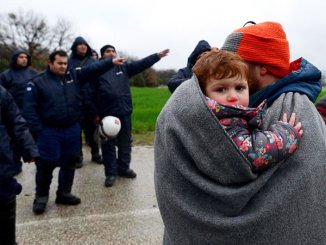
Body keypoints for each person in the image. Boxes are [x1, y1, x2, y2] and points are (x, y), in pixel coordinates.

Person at [154, 21, 326, 244]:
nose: (227, 67)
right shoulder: (235, 106)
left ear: (262, 67)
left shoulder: (296, 111)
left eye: (236, 59)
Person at [23, 50, 125, 215]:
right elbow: (29, 112)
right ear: (50, 63)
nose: (64, 66)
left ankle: (64, 193)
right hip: (49, 132)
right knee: (46, 165)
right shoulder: (37, 83)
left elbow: (92, 70)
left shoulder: (74, 77)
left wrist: (110, 62)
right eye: (60, 63)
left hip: (71, 129)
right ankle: (41, 197)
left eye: (65, 63)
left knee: (70, 162)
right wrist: (38, 133)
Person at [192, 50, 302, 172]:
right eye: (221, 89)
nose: (233, 96)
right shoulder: (221, 120)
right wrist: (286, 135)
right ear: (203, 93)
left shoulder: (229, 115)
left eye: (239, 88)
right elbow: (253, 154)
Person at [95, 44, 169, 187]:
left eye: (113, 51)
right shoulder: (97, 70)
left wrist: (156, 56)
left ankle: (123, 168)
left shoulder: (123, 67)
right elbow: (90, 93)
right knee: (108, 145)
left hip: (124, 111)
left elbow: (140, 64)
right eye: (108, 51)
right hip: (107, 114)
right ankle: (110, 173)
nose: (111, 53)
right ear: (102, 55)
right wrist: (95, 113)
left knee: (125, 142)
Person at [0, 85, 39, 244]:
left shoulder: (1, 93)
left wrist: (28, 149)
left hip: (1, 162)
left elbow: (16, 122)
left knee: (5, 198)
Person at [0, 50, 39, 174]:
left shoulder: (34, 74)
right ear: (15, 59)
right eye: (21, 57)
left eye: (26, 57)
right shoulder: (6, 75)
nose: (24, 59)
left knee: (33, 138)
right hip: (12, 112)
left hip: (32, 112)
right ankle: (15, 164)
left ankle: (40, 162)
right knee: (13, 140)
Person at [68, 36, 103, 167]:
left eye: (85, 44)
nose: (83, 46)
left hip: (91, 102)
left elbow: (99, 82)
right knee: (76, 132)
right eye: (80, 44)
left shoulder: (93, 61)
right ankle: (78, 157)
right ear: (75, 47)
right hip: (75, 103)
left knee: (93, 130)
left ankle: (96, 154)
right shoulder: (69, 62)